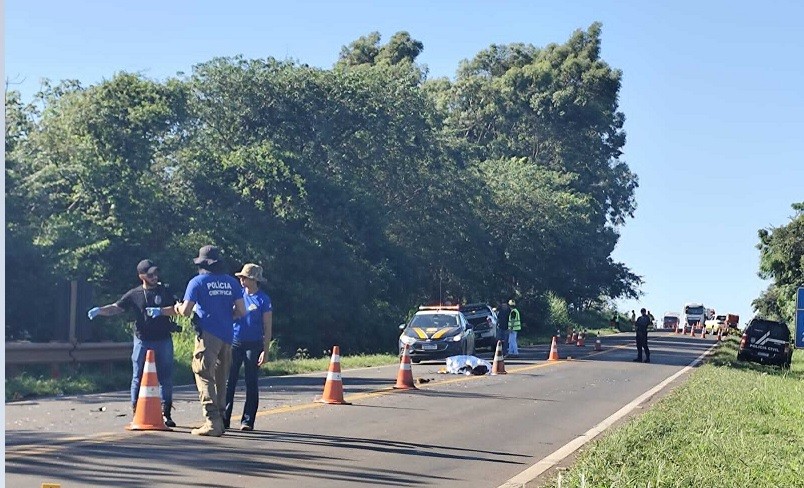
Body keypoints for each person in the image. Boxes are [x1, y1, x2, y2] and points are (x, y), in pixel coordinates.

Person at [87, 259, 180, 427]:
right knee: (137, 376)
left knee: (165, 377)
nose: (154, 276)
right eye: (150, 274)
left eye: (156, 273)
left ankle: (166, 413)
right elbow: (116, 307)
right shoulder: (134, 294)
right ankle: (137, 411)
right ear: (141, 276)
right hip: (142, 340)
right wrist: (100, 311)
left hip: (163, 339)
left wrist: (161, 312)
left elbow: (179, 308)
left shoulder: (165, 291)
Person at [174, 245, 247, 436]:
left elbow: (187, 311)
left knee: (203, 373)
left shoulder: (197, 282)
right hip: (227, 335)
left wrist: (178, 308)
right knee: (222, 376)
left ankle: (212, 420)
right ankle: (222, 417)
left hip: (207, 335)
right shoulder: (232, 283)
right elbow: (241, 311)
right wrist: (225, 316)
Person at [224, 263, 273, 431]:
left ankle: (247, 420)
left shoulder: (263, 299)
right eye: (241, 278)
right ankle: (224, 418)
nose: (241, 280)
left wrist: (265, 351)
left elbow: (267, 326)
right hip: (235, 341)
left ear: (254, 280)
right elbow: (228, 316)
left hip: (254, 343)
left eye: (244, 278)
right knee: (229, 380)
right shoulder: (237, 296)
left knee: (251, 381)